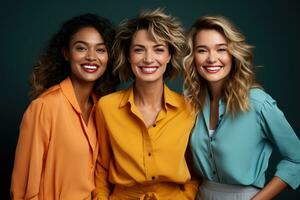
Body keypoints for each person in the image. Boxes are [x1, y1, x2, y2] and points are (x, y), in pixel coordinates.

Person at [183, 15, 300, 200]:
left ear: (233, 53)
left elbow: (296, 159)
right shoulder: (192, 103)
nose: (212, 58)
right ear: (193, 57)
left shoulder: (258, 103)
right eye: (202, 50)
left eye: (221, 49)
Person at [93, 9, 198, 200]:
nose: (149, 59)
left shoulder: (189, 109)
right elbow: (101, 166)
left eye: (158, 49)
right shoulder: (106, 107)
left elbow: (196, 169)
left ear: (169, 55)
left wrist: (187, 197)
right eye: (139, 49)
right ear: (128, 55)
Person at [11, 13, 117, 200]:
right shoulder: (44, 107)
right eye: (81, 48)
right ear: (66, 53)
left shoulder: (103, 108)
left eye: (100, 50)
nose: (92, 57)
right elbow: (22, 190)